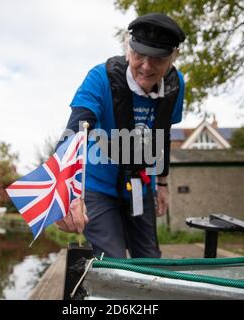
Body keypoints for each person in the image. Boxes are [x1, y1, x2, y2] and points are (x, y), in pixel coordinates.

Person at [54, 13, 186, 258]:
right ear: (128, 48)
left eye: (157, 58)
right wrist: (66, 193)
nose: (146, 66)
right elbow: (73, 133)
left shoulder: (176, 85)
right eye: (139, 54)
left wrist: (163, 184)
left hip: (139, 185)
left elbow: (163, 137)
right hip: (98, 186)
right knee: (113, 262)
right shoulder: (100, 78)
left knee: (150, 263)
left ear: (173, 57)